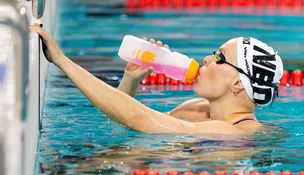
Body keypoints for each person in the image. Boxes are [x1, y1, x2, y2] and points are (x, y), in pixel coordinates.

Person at [30, 24, 283, 135]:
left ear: (239, 83)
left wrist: (63, 61)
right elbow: (126, 124)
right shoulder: (194, 110)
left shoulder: (231, 133)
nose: (207, 59)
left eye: (219, 58)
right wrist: (131, 79)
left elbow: (136, 118)